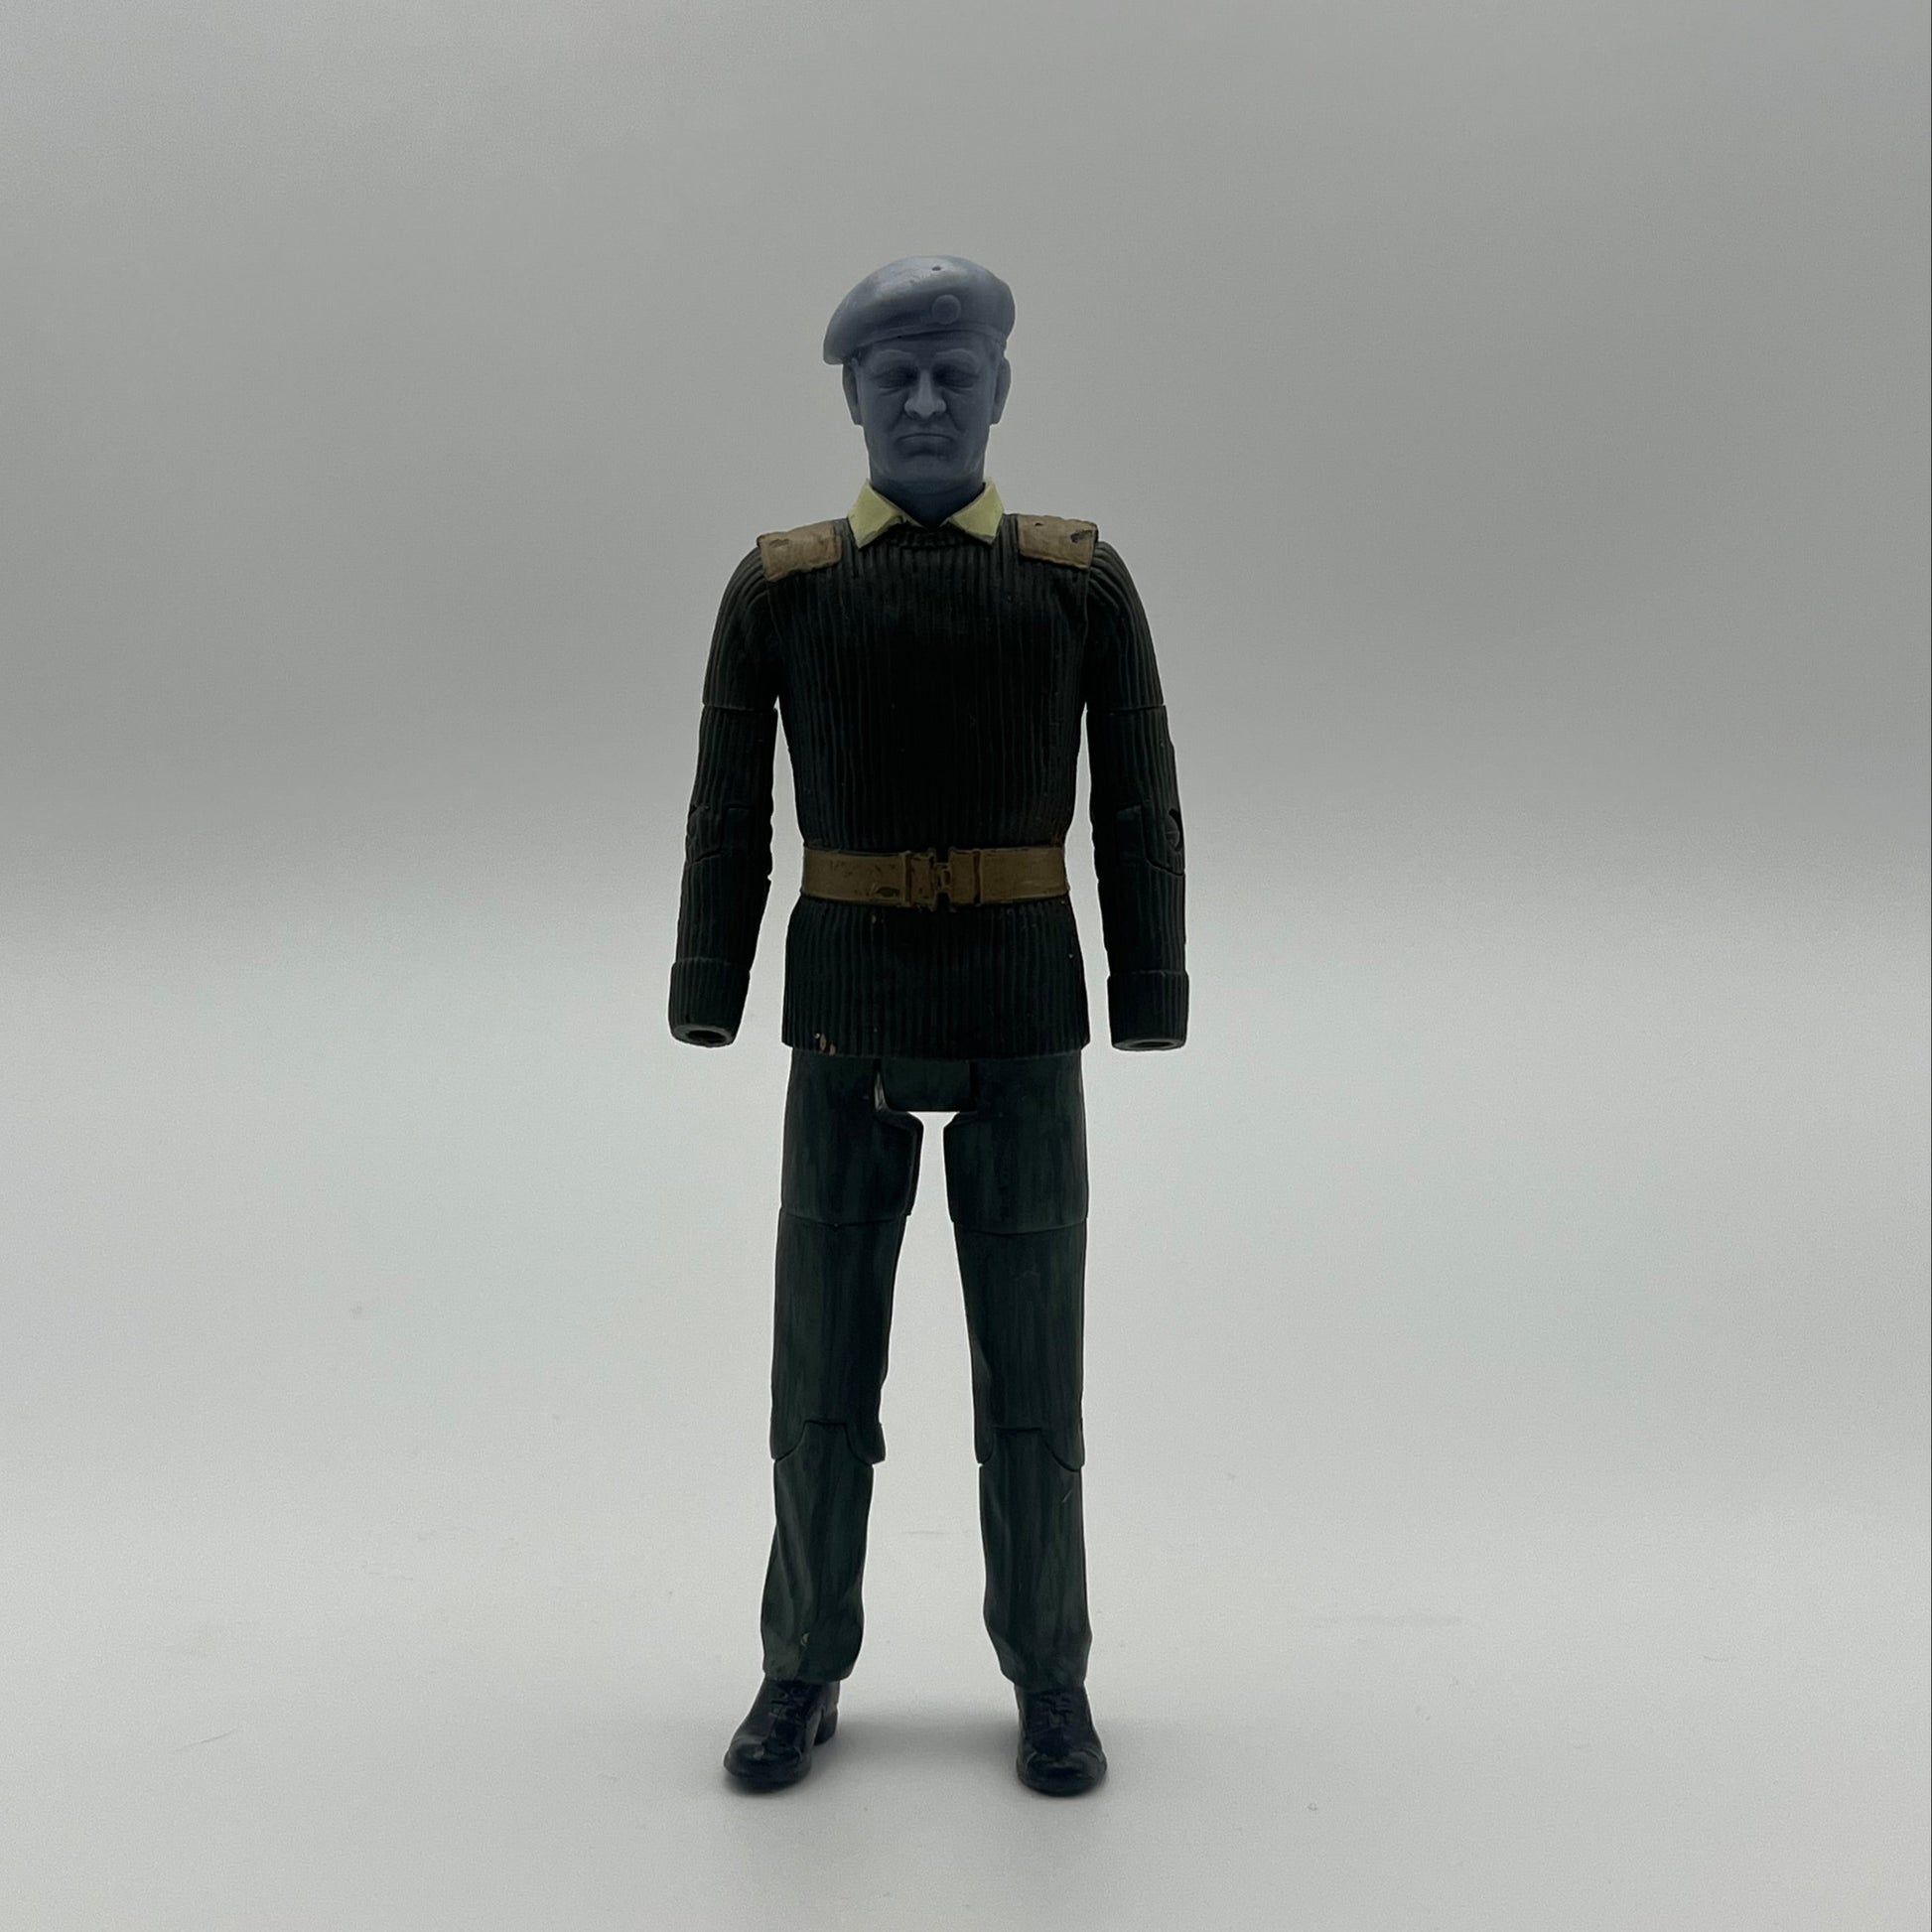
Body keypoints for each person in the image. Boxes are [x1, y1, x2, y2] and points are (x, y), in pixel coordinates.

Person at [669, 255, 1187, 1794]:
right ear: (849, 394)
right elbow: (726, 810)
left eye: (951, 374)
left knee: (1034, 1381)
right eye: (890, 376)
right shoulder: (783, 590)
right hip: (845, 1010)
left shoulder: (1075, 583)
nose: (919, 402)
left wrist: (1150, 987)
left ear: (998, 388)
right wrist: (707, 984)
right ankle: (798, 1663)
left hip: (1024, 1008)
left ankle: (1050, 1672)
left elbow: (1138, 799)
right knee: (819, 1377)